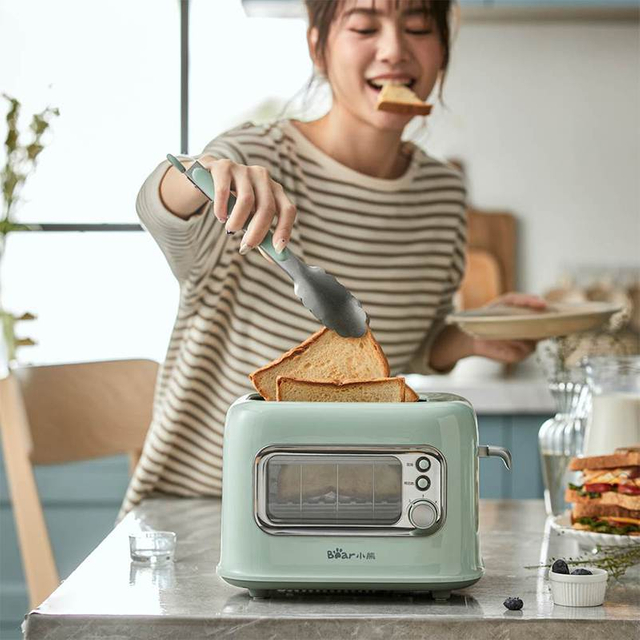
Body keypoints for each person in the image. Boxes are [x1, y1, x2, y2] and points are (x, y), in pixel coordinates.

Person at [120, 0, 544, 516]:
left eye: (417, 27)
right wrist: (199, 172)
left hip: (342, 511)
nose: (394, 50)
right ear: (318, 48)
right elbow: (159, 210)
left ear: (443, 53)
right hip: (196, 510)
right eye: (364, 26)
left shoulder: (442, 193)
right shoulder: (258, 160)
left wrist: (469, 335)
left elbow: (401, 348)